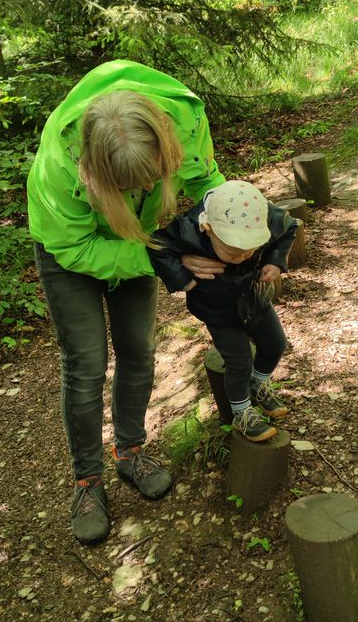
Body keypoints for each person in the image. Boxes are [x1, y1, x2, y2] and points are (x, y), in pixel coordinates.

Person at [27, 60, 225, 545]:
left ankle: (130, 451)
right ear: (94, 170)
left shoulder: (185, 120)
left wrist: (225, 231)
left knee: (138, 349)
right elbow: (74, 248)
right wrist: (165, 257)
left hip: (140, 240)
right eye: (126, 186)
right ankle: (87, 482)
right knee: (87, 364)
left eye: (149, 180)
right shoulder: (60, 166)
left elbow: (206, 183)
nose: (140, 190)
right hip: (68, 252)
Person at [149, 180, 297, 441]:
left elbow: (289, 227)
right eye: (232, 252)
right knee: (239, 361)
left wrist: (275, 260)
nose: (241, 257)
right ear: (208, 229)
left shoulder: (264, 215)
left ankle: (258, 382)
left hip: (255, 297)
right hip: (217, 308)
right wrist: (183, 277)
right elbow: (158, 247)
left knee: (275, 343)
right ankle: (242, 413)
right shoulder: (188, 227)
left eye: (247, 251)